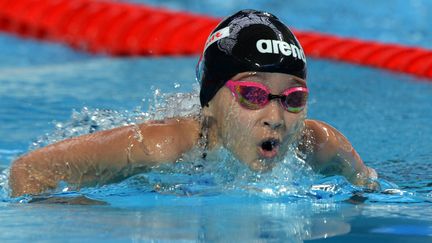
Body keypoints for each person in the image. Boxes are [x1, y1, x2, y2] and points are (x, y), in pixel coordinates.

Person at [9, 9, 377, 197]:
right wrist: (95, 216)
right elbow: (28, 171)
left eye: (293, 98)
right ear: (210, 101)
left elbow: (370, 189)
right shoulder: (160, 148)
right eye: (253, 95)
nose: (276, 117)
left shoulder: (320, 144)